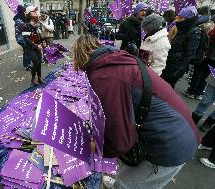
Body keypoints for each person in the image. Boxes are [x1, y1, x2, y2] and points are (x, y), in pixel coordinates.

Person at [72, 35, 200, 189]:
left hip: (169, 145)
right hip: (177, 127)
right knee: (129, 177)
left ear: (79, 57)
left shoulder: (104, 76)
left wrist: (97, 147)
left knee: (130, 185)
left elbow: (120, 140)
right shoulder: (116, 60)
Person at [161, 6, 201, 89]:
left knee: (167, 89)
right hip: (169, 62)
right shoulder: (183, 28)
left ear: (188, 20)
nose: (177, 20)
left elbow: (190, 55)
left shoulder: (193, 32)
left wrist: (179, 71)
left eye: (180, 18)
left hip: (175, 67)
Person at [182, 17, 212, 99]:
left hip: (204, 57)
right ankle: (199, 93)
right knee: (205, 77)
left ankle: (191, 92)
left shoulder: (204, 34)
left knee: (197, 74)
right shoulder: (207, 35)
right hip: (210, 58)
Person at [23, 6, 45, 86]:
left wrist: (43, 42)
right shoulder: (25, 25)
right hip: (30, 48)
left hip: (37, 47)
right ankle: (33, 79)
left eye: (36, 12)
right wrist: (36, 45)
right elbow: (26, 39)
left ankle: (39, 77)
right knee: (35, 62)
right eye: (34, 12)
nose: (36, 13)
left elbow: (39, 35)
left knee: (39, 62)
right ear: (29, 14)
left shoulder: (37, 24)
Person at [13, 5, 32, 71]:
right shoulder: (18, 19)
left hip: (25, 36)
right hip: (21, 38)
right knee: (26, 51)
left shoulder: (22, 18)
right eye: (24, 11)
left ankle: (29, 63)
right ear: (22, 11)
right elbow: (24, 28)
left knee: (28, 51)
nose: (25, 12)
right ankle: (27, 65)